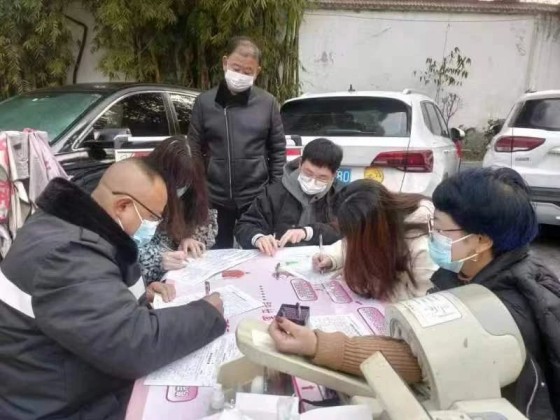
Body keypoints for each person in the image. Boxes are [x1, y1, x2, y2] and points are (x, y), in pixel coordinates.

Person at [268, 168, 560, 419]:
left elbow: (423, 358)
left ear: (481, 241)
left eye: (440, 230)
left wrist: (316, 344)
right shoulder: (472, 270)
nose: (430, 235)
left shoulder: (500, 308)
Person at [0, 159, 226, 419]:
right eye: (152, 218)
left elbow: (91, 304)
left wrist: (132, 295)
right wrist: (206, 313)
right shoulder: (66, 254)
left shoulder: (73, 228)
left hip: (68, 382)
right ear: (123, 206)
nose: (153, 227)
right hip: (58, 407)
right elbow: (132, 343)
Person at [188, 36, 286, 249]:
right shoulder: (205, 102)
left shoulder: (267, 103)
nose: (241, 75)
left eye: (248, 72)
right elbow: (194, 147)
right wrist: (199, 186)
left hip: (256, 196)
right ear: (225, 63)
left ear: (257, 72)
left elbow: (278, 150)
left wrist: (274, 191)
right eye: (236, 68)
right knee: (216, 254)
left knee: (258, 251)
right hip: (215, 196)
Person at [313, 179, 437, 301]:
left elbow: (422, 301)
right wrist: (333, 257)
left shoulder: (424, 248)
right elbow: (356, 241)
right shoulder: (381, 215)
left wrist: (371, 284)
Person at [139, 137, 218, 300]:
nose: (178, 190)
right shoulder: (139, 194)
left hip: (178, 279)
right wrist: (157, 260)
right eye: (175, 184)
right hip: (145, 288)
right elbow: (127, 249)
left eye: (184, 184)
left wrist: (189, 238)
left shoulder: (192, 189)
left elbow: (202, 218)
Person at [235, 138, 343, 255]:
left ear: (334, 175)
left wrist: (308, 232)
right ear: (300, 164)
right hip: (279, 258)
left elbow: (347, 230)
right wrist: (258, 238)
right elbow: (245, 225)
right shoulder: (275, 192)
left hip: (324, 259)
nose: (312, 181)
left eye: (322, 178)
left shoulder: (340, 196)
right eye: (308, 173)